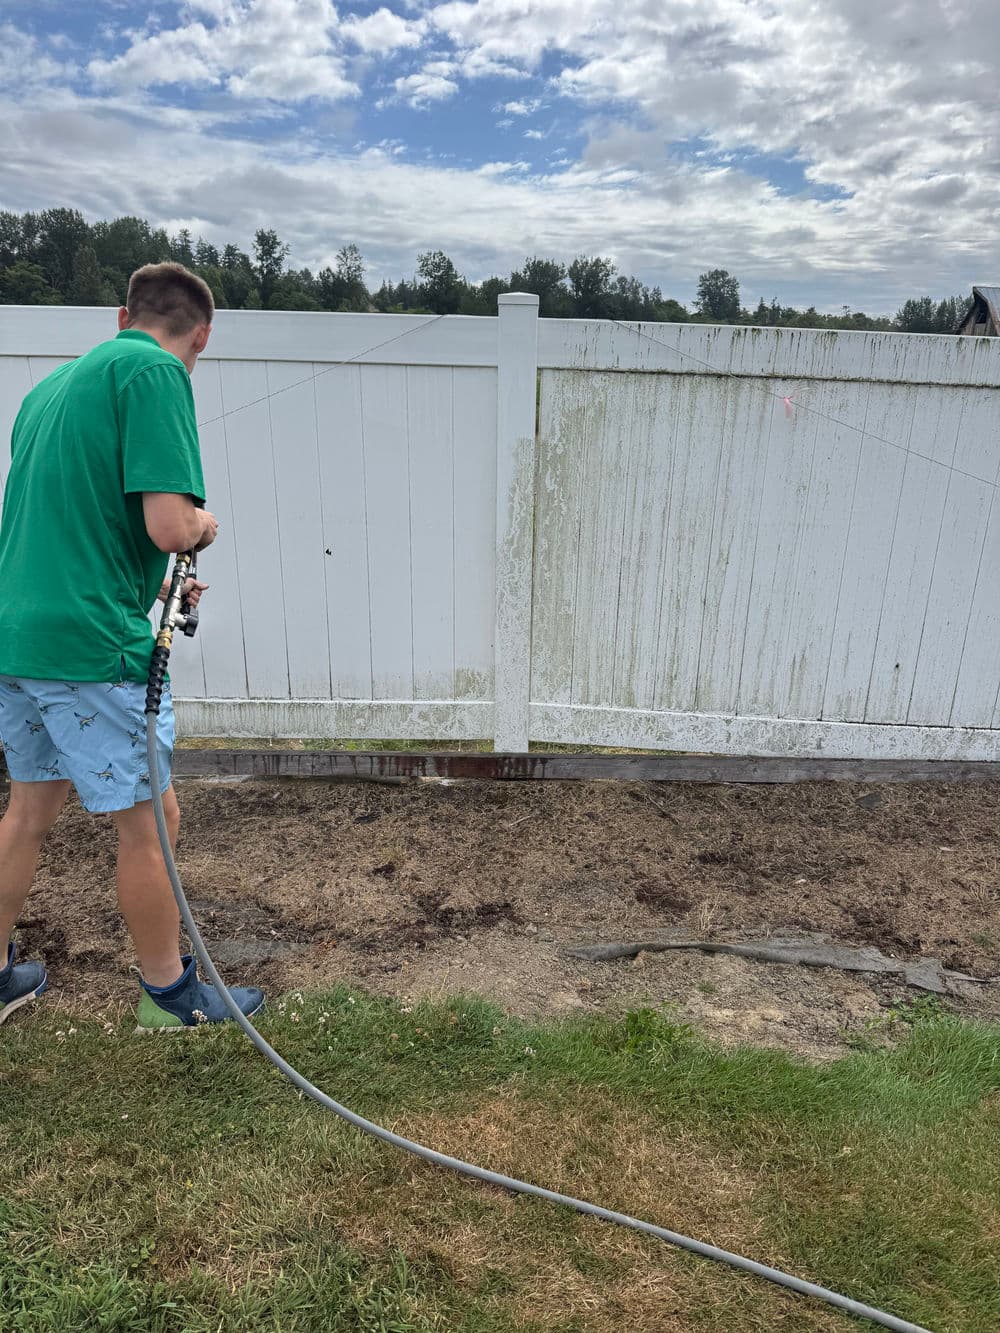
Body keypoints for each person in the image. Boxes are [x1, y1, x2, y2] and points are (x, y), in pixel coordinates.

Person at [0, 262, 263, 1031]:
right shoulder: (156, 374)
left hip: (20, 636)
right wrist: (202, 530)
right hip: (89, 646)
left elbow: (80, 526)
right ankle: (167, 993)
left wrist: (157, 585)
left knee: (26, 813)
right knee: (153, 819)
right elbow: (171, 525)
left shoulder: (50, 392)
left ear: (122, 314)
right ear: (200, 336)